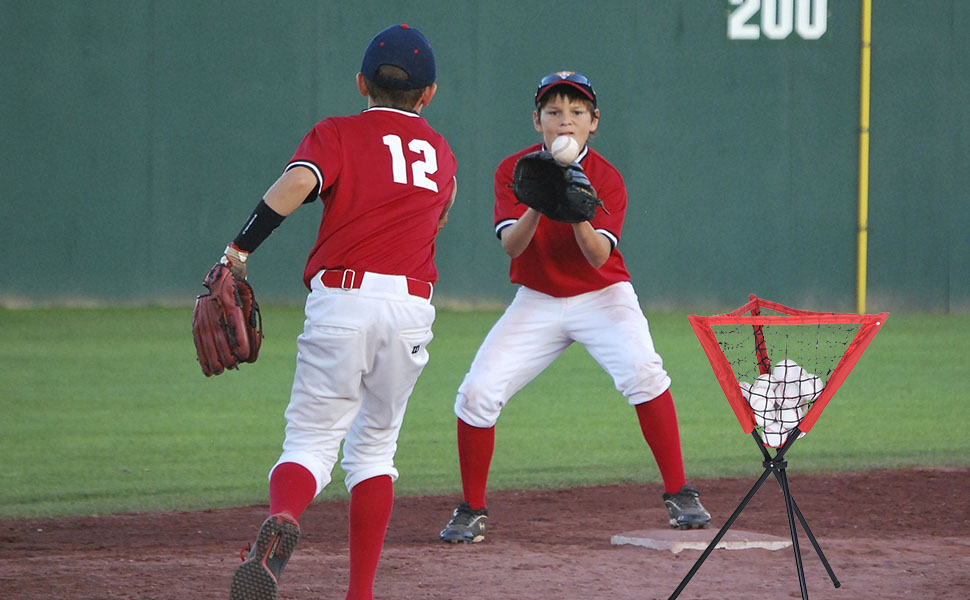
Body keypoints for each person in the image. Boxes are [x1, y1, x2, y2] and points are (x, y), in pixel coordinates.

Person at [221, 24, 458, 600]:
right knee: (375, 449)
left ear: (361, 83)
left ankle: (286, 518)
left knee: (309, 442)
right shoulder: (441, 152)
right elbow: (439, 216)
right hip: (410, 308)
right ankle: (360, 594)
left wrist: (238, 251)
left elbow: (300, 181)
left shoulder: (338, 133)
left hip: (343, 301)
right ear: (428, 95)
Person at [439, 71, 709, 544]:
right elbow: (511, 247)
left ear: (594, 122)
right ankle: (472, 508)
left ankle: (679, 492)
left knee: (645, 375)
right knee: (477, 394)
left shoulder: (606, 178)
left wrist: (579, 211)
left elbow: (598, 256)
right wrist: (539, 202)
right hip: (538, 300)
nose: (565, 122)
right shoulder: (515, 170)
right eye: (554, 112)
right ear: (537, 120)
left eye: (577, 113)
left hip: (603, 295)